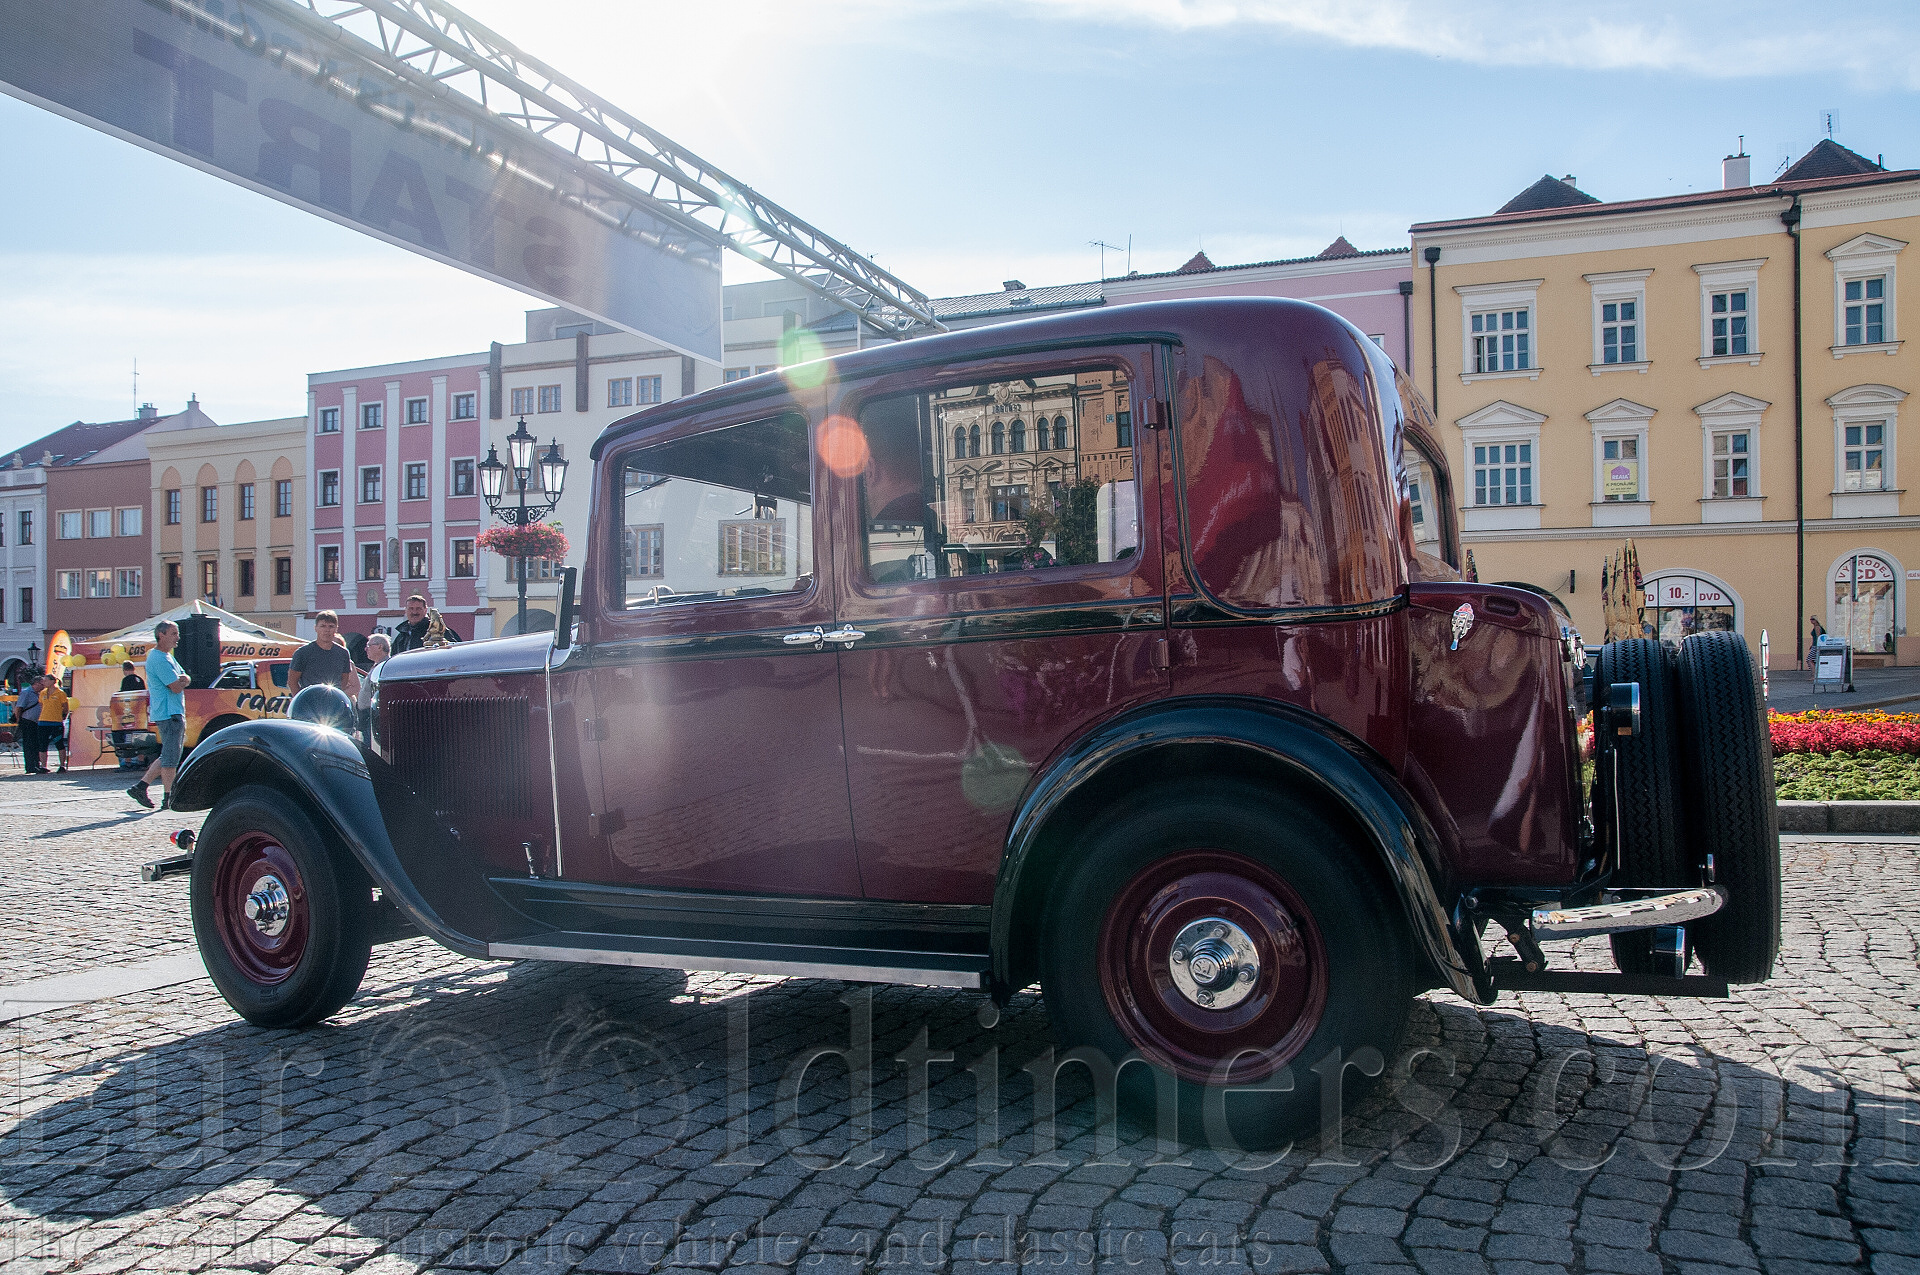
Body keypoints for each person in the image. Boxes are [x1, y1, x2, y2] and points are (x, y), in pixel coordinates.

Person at [129, 621, 189, 810]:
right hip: (169, 713)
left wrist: (184, 680)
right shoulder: (159, 659)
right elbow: (176, 686)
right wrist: (183, 681)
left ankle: (141, 787)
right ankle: (168, 798)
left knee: (168, 755)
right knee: (171, 758)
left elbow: (186, 677)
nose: (178, 637)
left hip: (171, 712)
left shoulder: (167, 656)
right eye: (173, 633)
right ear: (161, 635)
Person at [288, 610, 361, 698]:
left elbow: (344, 680)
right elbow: (292, 682)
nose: (327, 630)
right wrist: (302, 700)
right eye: (323, 626)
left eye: (331, 626)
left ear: (336, 628)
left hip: (333, 701)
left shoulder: (343, 653)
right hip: (310, 701)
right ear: (316, 628)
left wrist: (334, 696)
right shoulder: (302, 652)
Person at [388, 594, 461, 655]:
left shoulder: (437, 630)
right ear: (406, 610)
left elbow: (455, 650)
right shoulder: (402, 636)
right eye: (411, 608)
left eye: (418, 608)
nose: (414, 612)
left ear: (425, 610)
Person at [356, 632, 390, 743]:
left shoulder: (385, 667)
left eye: (369, 645)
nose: (366, 649)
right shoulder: (378, 666)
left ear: (380, 647)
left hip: (375, 717)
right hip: (368, 717)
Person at [38, 675, 69, 773]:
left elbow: (65, 707)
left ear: (52, 681)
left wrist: (62, 715)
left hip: (56, 722)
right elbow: (41, 705)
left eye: (46, 680)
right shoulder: (42, 692)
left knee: (59, 743)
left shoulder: (60, 693)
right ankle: (43, 766)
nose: (44, 682)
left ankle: (62, 765)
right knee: (42, 744)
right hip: (43, 721)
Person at [16, 674, 44, 774]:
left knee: (36, 744)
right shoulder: (26, 692)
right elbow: (19, 707)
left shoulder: (40, 694)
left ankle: (36, 764)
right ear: (36, 683)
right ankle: (30, 766)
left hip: (37, 722)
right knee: (29, 745)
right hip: (27, 721)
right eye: (42, 684)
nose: (43, 686)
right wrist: (19, 720)